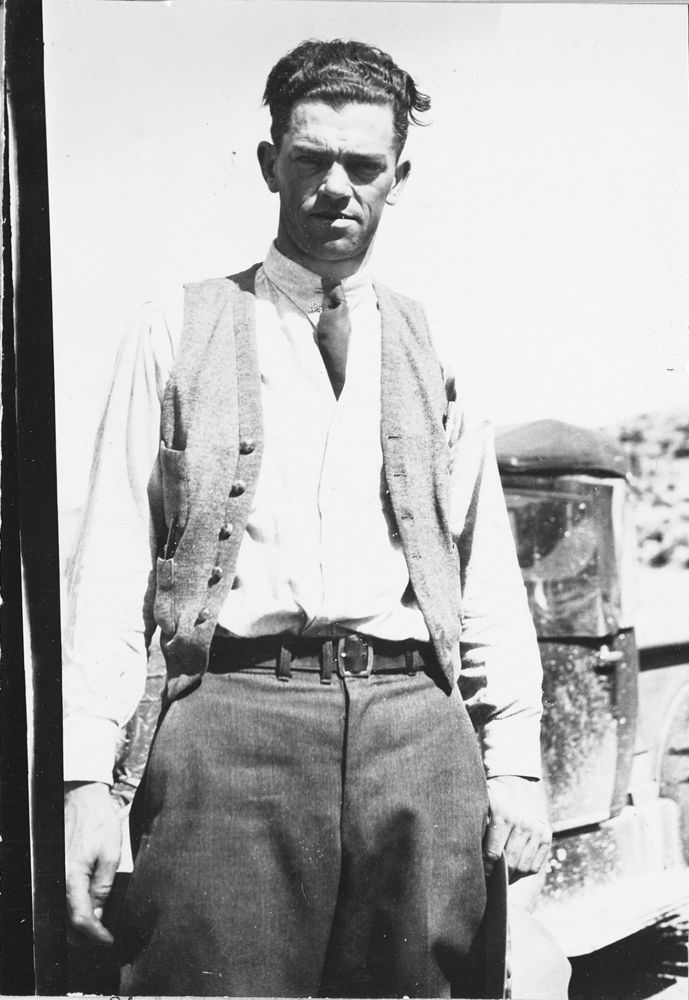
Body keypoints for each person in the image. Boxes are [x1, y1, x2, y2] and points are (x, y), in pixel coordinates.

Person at [63, 38, 551, 998]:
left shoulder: (434, 341)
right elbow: (112, 564)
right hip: (229, 729)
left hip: (414, 734)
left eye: (362, 166)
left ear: (397, 178)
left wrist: (516, 771)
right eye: (310, 159)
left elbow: (481, 570)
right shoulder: (177, 327)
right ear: (268, 164)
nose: (335, 188)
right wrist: (86, 783)